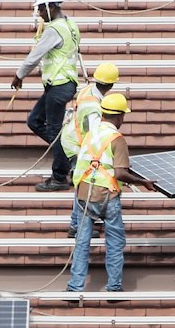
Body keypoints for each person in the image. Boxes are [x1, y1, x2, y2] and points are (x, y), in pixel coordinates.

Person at [67, 93, 157, 294]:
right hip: (107, 196)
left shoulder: (91, 134)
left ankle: (75, 287)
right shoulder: (117, 138)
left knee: (81, 244)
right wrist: (144, 183)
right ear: (119, 117)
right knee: (115, 243)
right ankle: (114, 286)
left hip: (84, 195)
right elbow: (120, 172)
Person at [9, 0, 80, 192]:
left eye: (41, 9)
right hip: (61, 84)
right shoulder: (71, 24)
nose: (39, 13)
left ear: (50, 6)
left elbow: (35, 56)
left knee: (54, 131)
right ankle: (71, 154)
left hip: (59, 85)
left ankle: (59, 177)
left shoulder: (54, 29)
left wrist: (19, 76)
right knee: (35, 121)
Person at [61, 61, 120, 238]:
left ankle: (76, 224)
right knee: (82, 182)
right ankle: (76, 225)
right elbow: (96, 135)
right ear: (111, 84)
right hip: (77, 145)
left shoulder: (88, 91)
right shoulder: (94, 108)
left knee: (82, 182)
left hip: (73, 139)